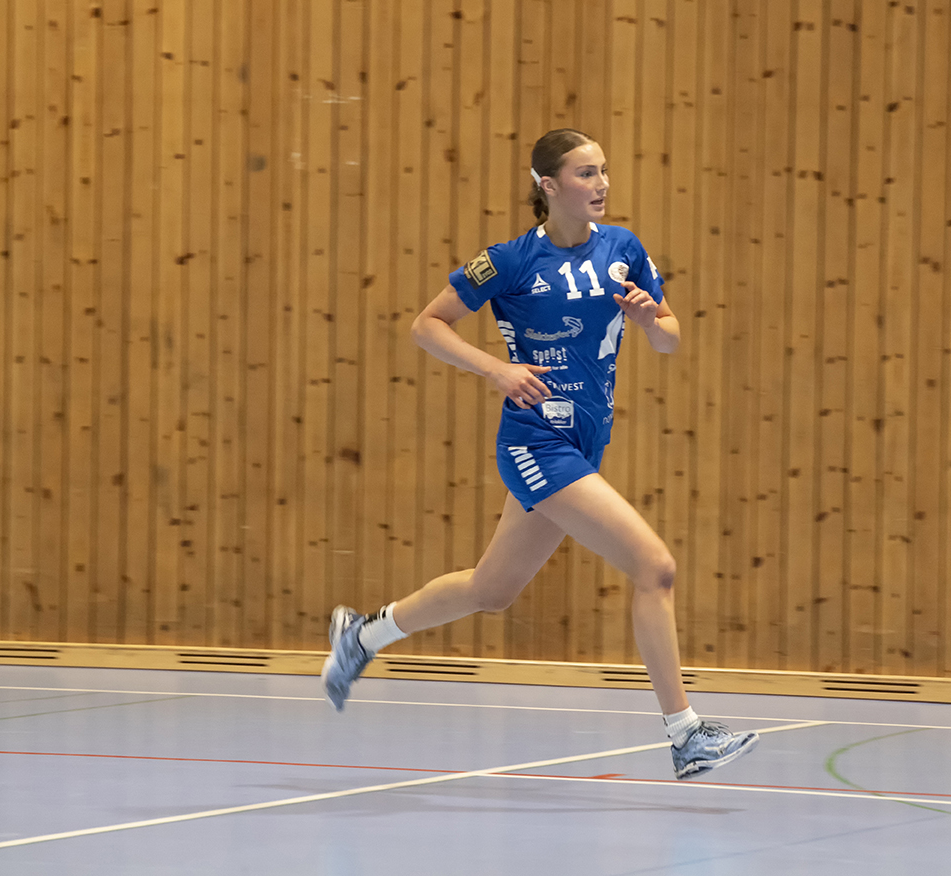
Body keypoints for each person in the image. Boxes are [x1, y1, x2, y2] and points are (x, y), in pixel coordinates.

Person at [321, 128, 758, 780]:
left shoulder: (624, 249)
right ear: (549, 186)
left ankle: (363, 635)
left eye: (603, 170)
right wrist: (495, 370)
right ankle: (685, 735)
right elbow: (426, 325)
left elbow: (669, 337)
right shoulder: (508, 261)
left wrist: (649, 321)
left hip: (584, 441)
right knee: (655, 567)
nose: (601, 184)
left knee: (490, 589)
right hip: (536, 442)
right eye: (586, 173)